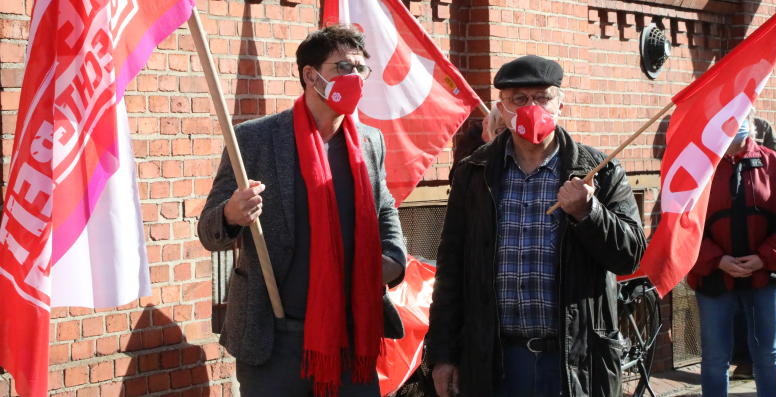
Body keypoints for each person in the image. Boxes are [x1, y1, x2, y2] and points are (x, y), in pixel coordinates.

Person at [198, 25, 407, 397]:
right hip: (276, 335)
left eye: (362, 70)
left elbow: (384, 207)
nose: (355, 78)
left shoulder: (370, 141)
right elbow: (208, 232)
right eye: (343, 68)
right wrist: (231, 214)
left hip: (352, 333)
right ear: (311, 76)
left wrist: (393, 257)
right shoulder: (255, 139)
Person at [426, 55, 646, 397]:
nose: (532, 107)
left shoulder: (599, 171)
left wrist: (589, 213)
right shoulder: (475, 172)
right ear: (503, 107)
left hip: (572, 360)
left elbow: (630, 256)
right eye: (519, 99)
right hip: (495, 359)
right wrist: (442, 354)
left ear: (560, 103)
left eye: (542, 98)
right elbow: (452, 268)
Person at [687, 111, 776, 397]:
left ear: (750, 124)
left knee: (767, 356)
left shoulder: (773, 163)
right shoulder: (699, 166)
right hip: (714, 276)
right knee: (714, 358)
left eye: (739, 121)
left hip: (766, 274)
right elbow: (683, 223)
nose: (733, 128)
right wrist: (716, 260)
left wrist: (764, 257)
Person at [730, 113, 776, 380]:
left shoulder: (762, 126)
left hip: (763, 230)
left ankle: (764, 357)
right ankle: (745, 358)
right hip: (730, 231)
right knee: (740, 308)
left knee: (765, 311)